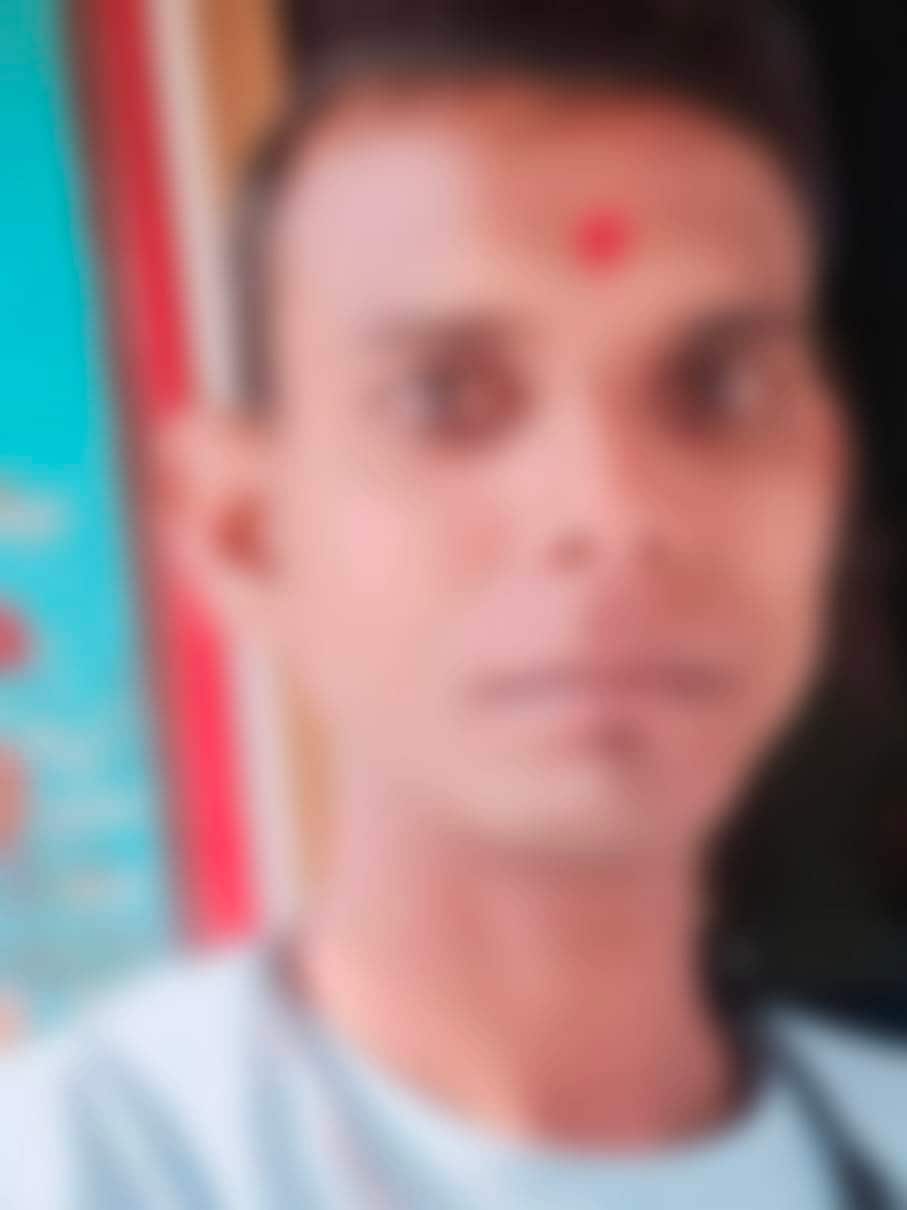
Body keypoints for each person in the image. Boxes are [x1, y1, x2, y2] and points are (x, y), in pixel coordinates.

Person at [3, 1, 907, 1205]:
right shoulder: (74, 1163)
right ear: (243, 529)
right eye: (442, 396)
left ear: (826, 484)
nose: (611, 509)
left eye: (718, 388)